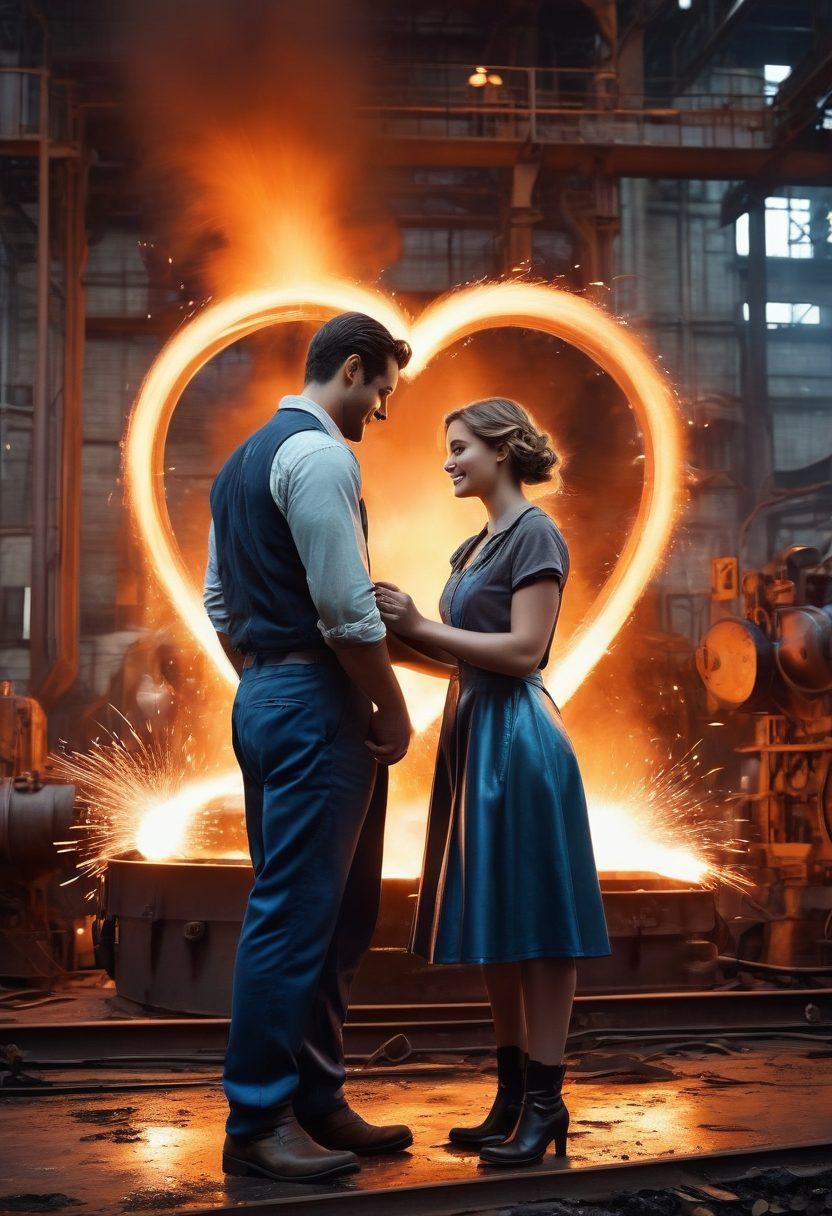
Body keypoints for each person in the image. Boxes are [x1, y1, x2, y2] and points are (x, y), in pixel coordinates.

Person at [203, 312, 414, 1183]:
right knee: (297, 914)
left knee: (337, 912)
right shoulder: (323, 457)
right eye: (383, 394)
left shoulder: (238, 464)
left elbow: (220, 602)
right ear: (354, 370)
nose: (384, 413)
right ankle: (257, 1121)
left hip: (267, 690)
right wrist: (391, 708)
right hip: (318, 697)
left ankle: (317, 1099)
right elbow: (348, 612)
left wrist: (262, 678)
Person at [375, 397, 611, 1168]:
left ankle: (546, 1107)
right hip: (477, 737)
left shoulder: (535, 534)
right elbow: (461, 655)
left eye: (459, 447)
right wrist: (383, 641)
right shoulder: (473, 546)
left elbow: (523, 652)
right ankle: (512, 1099)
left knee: (538, 928)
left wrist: (414, 623)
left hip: (519, 741)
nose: (447, 461)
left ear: (502, 451)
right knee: (501, 927)